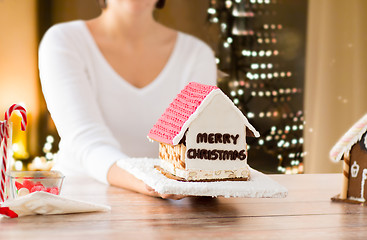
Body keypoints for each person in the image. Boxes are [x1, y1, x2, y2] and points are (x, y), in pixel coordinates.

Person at [38, 0, 217, 199]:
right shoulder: (64, 40)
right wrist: (152, 183)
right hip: (81, 202)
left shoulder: (196, 54)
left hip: (167, 208)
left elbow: (197, 144)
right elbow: (87, 141)